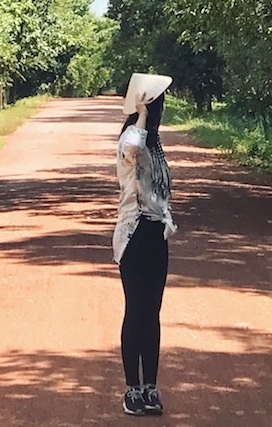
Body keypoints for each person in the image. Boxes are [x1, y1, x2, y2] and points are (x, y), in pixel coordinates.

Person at [114, 71, 175, 417]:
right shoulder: (130, 139)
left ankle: (150, 386)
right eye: (157, 103)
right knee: (135, 311)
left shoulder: (156, 143)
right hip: (134, 235)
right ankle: (131, 389)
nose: (160, 109)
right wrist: (140, 115)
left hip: (156, 235)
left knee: (152, 314)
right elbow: (133, 148)